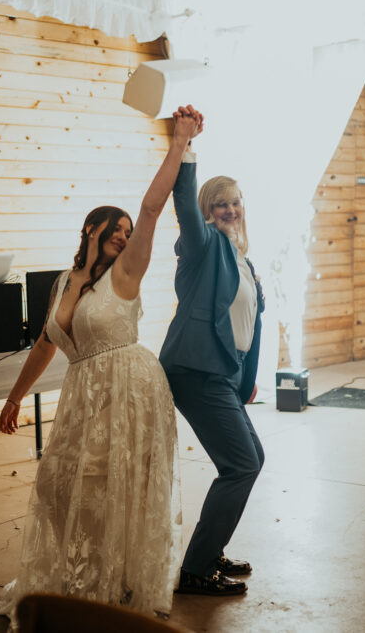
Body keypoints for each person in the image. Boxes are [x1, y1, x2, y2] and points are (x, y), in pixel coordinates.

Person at [0, 106, 203, 625]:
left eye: (128, 231)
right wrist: (16, 395)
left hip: (129, 388)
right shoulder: (62, 283)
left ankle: (115, 584)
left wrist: (179, 142)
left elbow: (152, 210)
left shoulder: (126, 271)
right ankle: (80, 577)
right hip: (84, 395)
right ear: (91, 226)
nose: (125, 234)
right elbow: (46, 343)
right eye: (116, 227)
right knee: (59, 486)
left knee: (114, 489)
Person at [159, 159, 265, 596]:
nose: (231, 209)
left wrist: (245, 377)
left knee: (247, 459)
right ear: (208, 210)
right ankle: (197, 569)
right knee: (242, 464)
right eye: (221, 204)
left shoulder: (241, 256)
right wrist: (185, 153)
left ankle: (208, 550)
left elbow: (249, 321)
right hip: (197, 369)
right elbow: (183, 204)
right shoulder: (201, 246)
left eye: (236, 202)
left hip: (223, 371)